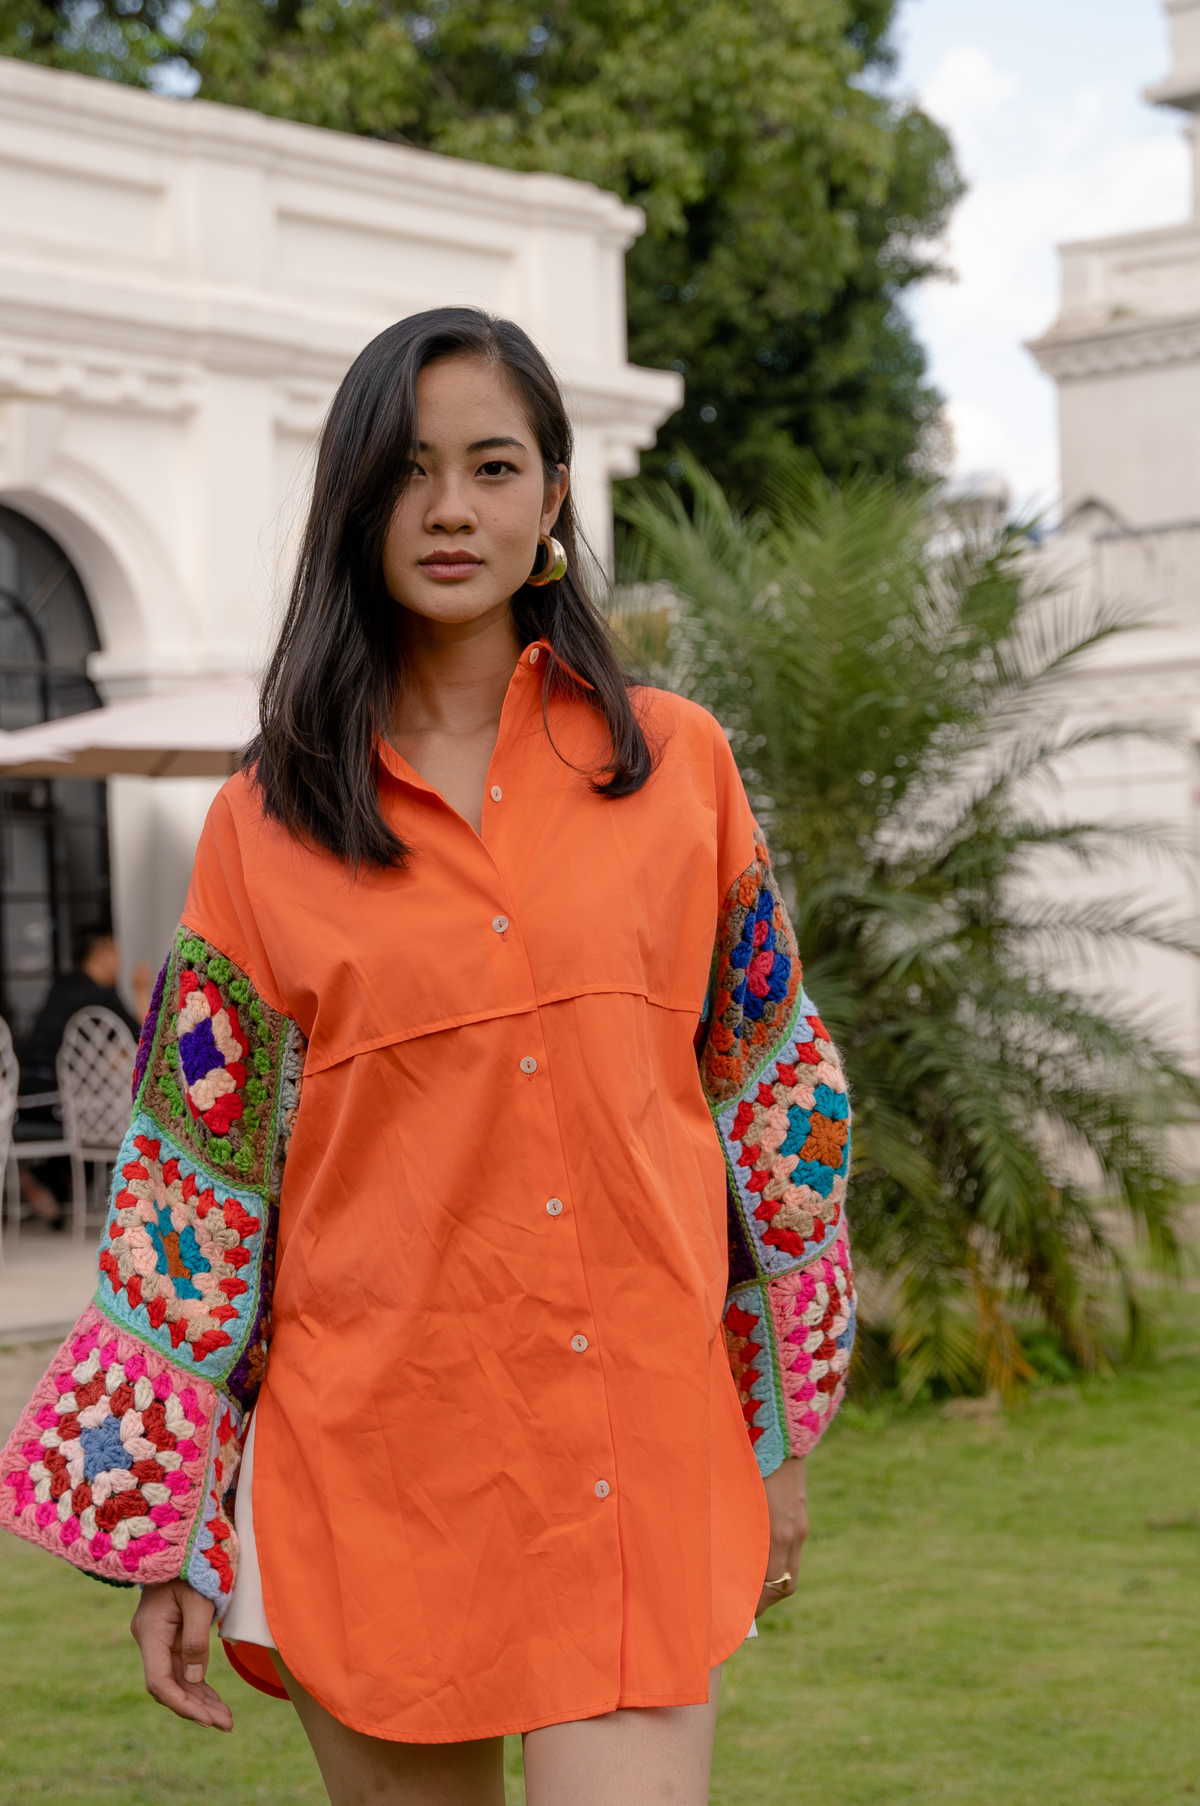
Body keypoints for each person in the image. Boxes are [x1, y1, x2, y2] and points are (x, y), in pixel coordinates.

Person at [0, 310, 856, 1806]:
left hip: (636, 1464)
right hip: (374, 1482)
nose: (450, 507)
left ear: (554, 498)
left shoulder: (680, 772)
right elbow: (194, 1194)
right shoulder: (262, 829)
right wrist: (178, 1527)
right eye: (406, 472)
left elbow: (783, 1112)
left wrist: (777, 1436)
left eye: (492, 464)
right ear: (352, 502)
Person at [14, 929, 149, 1226]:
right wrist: (140, 988)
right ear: (102, 953)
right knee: (113, 1125)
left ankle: (47, 1187)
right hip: (54, 1100)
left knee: (91, 1118)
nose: (120, 961)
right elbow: (145, 1038)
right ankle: (47, 1182)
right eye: (117, 953)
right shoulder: (101, 995)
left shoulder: (62, 986)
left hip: (22, 1094)